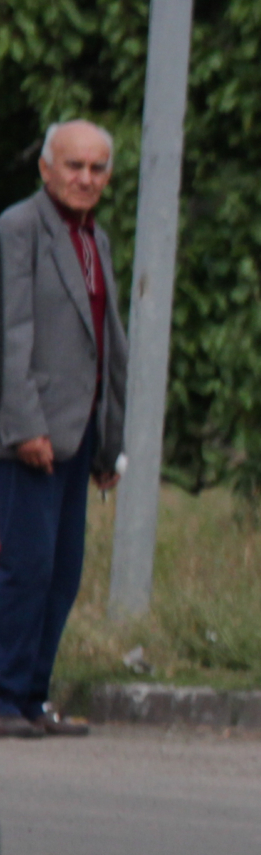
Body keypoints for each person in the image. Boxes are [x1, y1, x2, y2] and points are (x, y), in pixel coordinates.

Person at [0, 121, 127, 737]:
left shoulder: (92, 237)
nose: (85, 178)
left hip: (80, 435)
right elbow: (10, 333)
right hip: (31, 436)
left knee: (61, 569)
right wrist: (24, 426)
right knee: (22, 566)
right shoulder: (19, 229)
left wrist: (110, 441)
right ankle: (4, 695)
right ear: (46, 168)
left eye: (97, 168)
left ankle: (32, 695)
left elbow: (107, 343)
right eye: (73, 165)